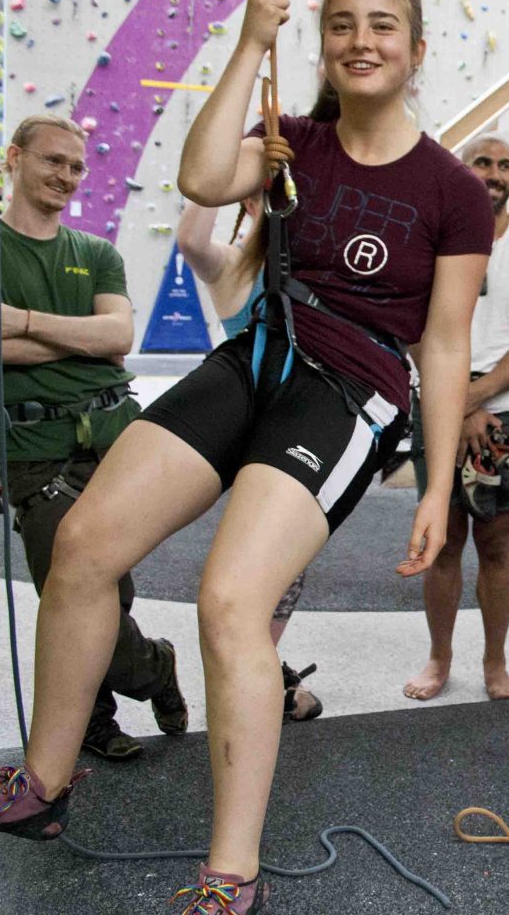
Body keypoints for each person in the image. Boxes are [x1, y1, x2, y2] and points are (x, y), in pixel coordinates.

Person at [0, 0, 492, 915]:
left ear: (417, 49)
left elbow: (443, 345)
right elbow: (197, 177)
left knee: (231, 603)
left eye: (384, 25)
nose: (362, 39)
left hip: (351, 391)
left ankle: (232, 879)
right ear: (320, 42)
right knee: (81, 546)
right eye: (343, 23)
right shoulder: (292, 142)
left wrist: (436, 486)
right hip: (256, 357)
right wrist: (247, 43)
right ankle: (42, 787)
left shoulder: (450, 189)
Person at [0, 114, 191, 763]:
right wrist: (75, 339)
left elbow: (117, 339)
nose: (65, 176)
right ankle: (138, 683)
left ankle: (135, 677)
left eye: (76, 167)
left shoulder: (97, 254)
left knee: (114, 591)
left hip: (115, 441)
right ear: (14, 159)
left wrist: (23, 323)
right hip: (36, 452)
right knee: (78, 597)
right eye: (52, 161)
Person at [403, 134, 509, 702]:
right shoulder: (429, 241)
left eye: (503, 164)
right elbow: (414, 330)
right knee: (442, 545)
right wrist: (454, 402)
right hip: (437, 408)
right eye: (482, 162)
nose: (494, 173)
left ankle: (495, 664)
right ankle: (439, 661)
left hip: (508, 415)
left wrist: (473, 398)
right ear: (460, 170)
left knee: (496, 546)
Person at [175, 197, 321, 722]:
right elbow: (191, 242)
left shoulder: (316, 267)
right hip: (257, 430)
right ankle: (257, 673)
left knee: (288, 564)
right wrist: (213, 182)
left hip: (311, 432)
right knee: (259, 562)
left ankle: (263, 666)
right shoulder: (237, 265)